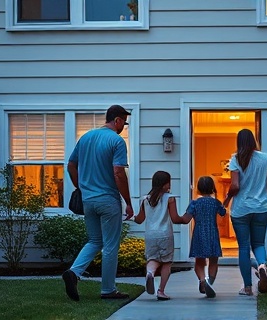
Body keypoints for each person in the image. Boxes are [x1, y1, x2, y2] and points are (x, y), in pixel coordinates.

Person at [62, 104, 134, 301]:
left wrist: (80, 187)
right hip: (108, 200)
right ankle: (108, 289)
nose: (123, 127)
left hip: (88, 200)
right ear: (117, 120)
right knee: (110, 245)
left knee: (95, 240)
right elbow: (118, 172)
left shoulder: (85, 138)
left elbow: (71, 165)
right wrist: (128, 201)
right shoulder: (117, 141)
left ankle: (74, 272)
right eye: (123, 123)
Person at [223, 129, 267, 296]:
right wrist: (262, 192)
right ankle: (261, 266)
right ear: (253, 141)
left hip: (241, 210)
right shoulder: (266, 158)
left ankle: (247, 287)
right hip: (261, 208)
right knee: (259, 244)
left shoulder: (236, 159)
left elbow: (235, 186)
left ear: (239, 142)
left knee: (244, 247)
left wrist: (226, 200)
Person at [134, 170, 184, 301]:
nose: (170, 185)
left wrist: (131, 217)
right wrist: (186, 218)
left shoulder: (145, 199)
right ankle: (161, 291)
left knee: (152, 259)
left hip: (150, 235)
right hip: (165, 235)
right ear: (165, 184)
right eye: (168, 182)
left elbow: (139, 219)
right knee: (166, 262)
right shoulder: (170, 198)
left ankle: (150, 273)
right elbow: (175, 218)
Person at [179, 176, 227, 299]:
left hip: (199, 233)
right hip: (212, 232)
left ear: (198, 189)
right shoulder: (215, 202)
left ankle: (202, 280)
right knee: (213, 260)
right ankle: (209, 282)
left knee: (199, 262)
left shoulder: (194, 203)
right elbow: (223, 213)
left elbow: (186, 219)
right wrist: (225, 201)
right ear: (212, 188)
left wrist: (175, 218)